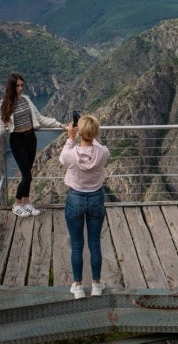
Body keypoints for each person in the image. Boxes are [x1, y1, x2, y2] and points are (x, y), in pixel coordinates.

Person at [0, 72, 66, 217]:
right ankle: (16, 204)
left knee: (29, 173)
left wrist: (60, 124)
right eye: (17, 86)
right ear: (11, 87)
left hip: (31, 138)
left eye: (22, 85)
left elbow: (40, 118)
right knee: (26, 175)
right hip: (17, 141)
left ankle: (26, 202)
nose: (20, 88)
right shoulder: (3, 105)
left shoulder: (26, 100)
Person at [59, 114, 110, 299]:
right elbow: (96, 146)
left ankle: (78, 286)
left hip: (75, 199)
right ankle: (96, 284)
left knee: (77, 244)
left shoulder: (70, 155)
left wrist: (71, 138)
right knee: (95, 244)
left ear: (79, 132)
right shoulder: (103, 152)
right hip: (96, 198)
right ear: (95, 133)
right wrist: (89, 136)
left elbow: (62, 158)